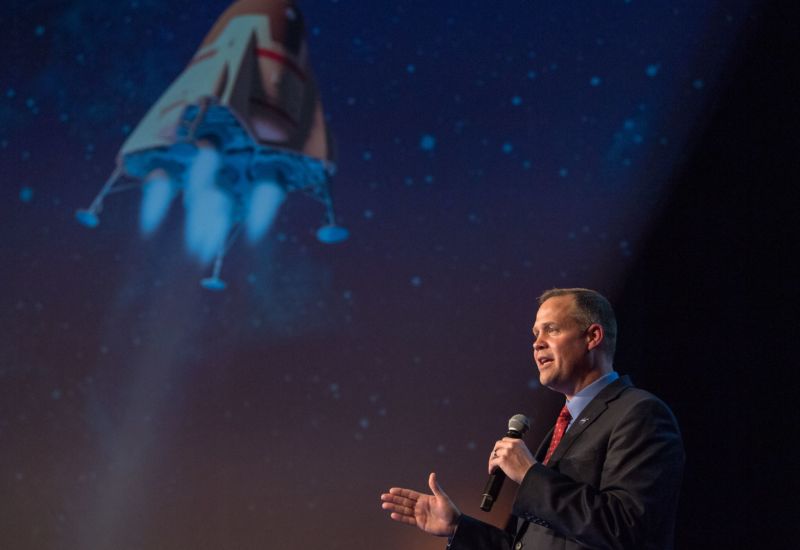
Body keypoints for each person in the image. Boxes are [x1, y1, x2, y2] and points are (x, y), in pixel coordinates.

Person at [380, 288, 684, 549]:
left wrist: (529, 474)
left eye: (552, 330)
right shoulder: (562, 429)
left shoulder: (639, 414)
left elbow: (628, 529)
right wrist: (459, 527)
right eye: (536, 333)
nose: (537, 343)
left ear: (593, 336)